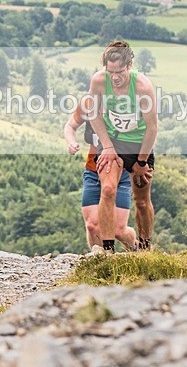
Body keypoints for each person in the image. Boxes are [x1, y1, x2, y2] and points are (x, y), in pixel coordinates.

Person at [84, 40, 158, 253]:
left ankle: (144, 250)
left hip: (138, 145)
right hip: (113, 142)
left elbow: (152, 129)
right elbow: (94, 114)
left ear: (129, 65)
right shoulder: (99, 81)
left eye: (120, 72)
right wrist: (107, 146)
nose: (115, 77)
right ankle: (108, 251)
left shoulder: (142, 87)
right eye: (110, 72)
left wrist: (141, 161)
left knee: (142, 201)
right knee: (107, 190)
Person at [65, 113, 137, 253]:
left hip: (121, 173)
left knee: (117, 230)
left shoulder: (124, 103)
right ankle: (101, 260)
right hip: (94, 171)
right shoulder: (88, 103)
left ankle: (134, 247)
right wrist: (71, 142)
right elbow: (70, 126)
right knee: (92, 225)